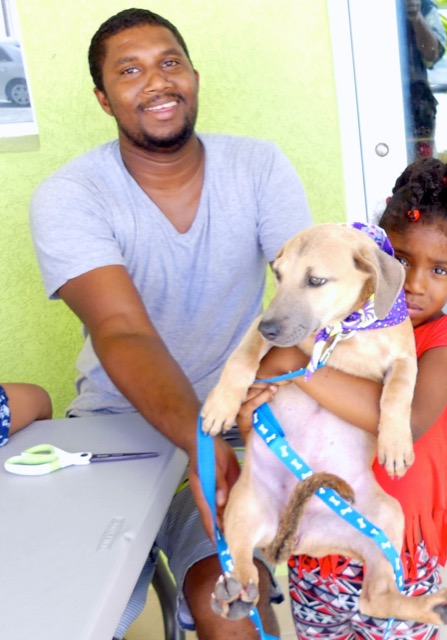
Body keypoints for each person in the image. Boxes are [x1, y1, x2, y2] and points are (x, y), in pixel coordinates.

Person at [29, 8, 313, 640]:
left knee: (230, 601)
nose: (156, 82)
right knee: (71, 608)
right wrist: (197, 441)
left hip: (233, 427)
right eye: (129, 71)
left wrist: (241, 424)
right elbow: (121, 330)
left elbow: (299, 314)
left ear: (194, 75)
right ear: (104, 100)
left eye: (169, 63)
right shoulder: (70, 195)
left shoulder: (258, 168)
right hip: (115, 435)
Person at [238, 157, 447, 639]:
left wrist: (297, 364)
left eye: (439, 269)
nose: (413, 283)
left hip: (396, 546)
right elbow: (265, 382)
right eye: (401, 260)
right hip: (318, 541)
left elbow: (407, 419)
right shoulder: (333, 320)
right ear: (372, 261)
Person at [404, 0, 447, 159]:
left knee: (422, 167)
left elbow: (432, 53)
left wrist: (416, 16)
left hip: (416, 100)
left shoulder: (423, 4)